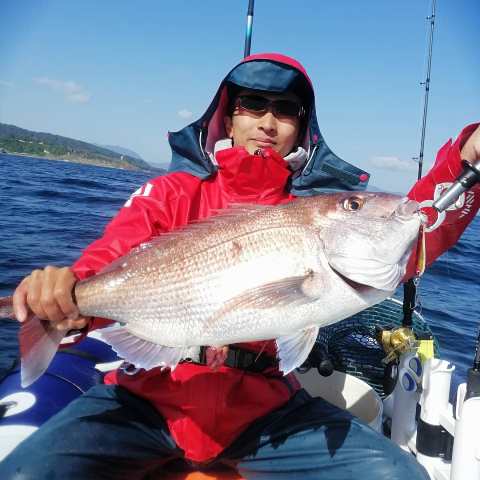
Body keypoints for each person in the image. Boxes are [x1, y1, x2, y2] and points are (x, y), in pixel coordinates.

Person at [1, 53, 479, 479]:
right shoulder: (170, 193)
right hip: (148, 396)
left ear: (303, 129)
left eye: (286, 110)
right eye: (252, 104)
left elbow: (418, 222)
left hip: (263, 409)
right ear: (228, 118)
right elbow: (109, 260)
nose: (268, 122)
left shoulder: (309, 213)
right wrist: (67, 294)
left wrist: (465, 159)